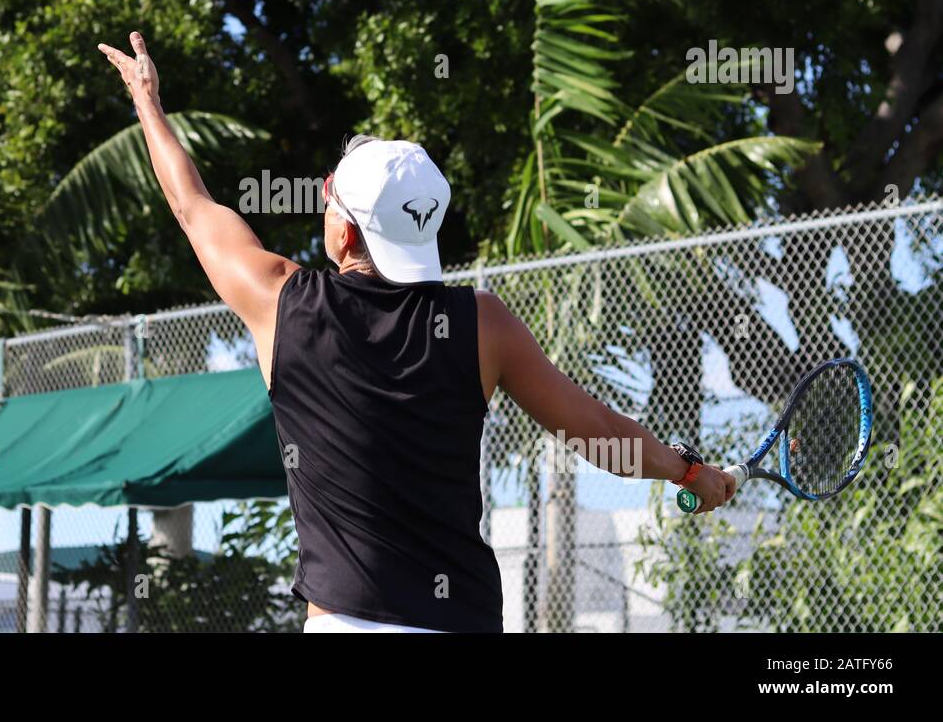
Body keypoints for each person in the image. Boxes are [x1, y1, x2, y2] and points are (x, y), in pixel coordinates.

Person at [98, 32, 737, 633]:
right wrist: (687, 473)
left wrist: (148, 103)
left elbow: (192, 208)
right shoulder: (485, 324)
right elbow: (597, 435)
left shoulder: (281, 302)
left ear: (344, 233)